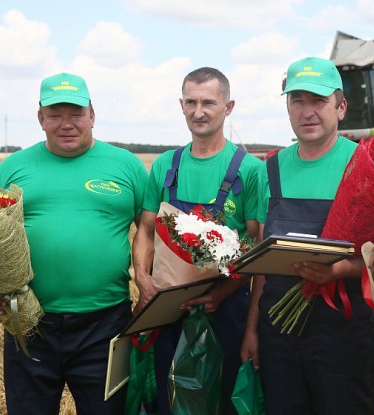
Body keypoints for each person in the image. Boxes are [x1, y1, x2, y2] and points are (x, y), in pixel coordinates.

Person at [0, 72, 148, 414]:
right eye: (55, 114)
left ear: (92, 115)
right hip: (30, 323)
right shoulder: (12, 168)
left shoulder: (127, 166)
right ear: (40, 118)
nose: (66, 124)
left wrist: (151, 288)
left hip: (106, 325)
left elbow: (149, 234)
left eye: (75, 113)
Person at [240, 56, 374, 415]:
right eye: (297, 100)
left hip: (343, 335)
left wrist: (339, 272)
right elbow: (261, 261)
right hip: (279, 335)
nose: (308, 111)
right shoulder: (270, 168)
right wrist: (253, 330)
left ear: (341, 107)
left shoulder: (366, 168)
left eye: (318, 101)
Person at [132, 67, 261, 414]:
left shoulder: (249, 170)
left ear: (228, 106)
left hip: (224, 310)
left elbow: (257, 246)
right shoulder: (164, 166)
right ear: (181, 104)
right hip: (166, 307)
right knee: (167, 400)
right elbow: (145, 231)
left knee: (221, 400)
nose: (198, 111)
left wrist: (221, 292)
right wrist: (143, 281)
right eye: (191, 102)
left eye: (208, 102)